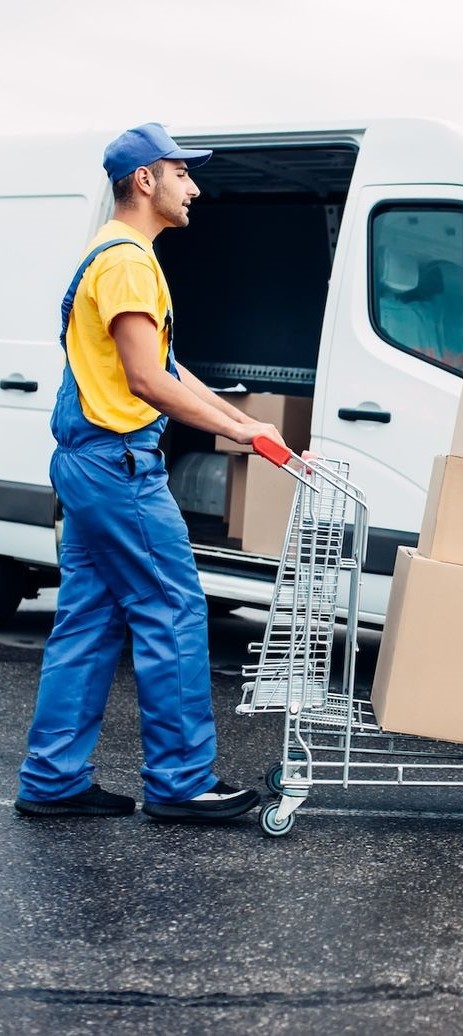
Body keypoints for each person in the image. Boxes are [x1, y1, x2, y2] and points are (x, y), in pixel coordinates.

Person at [15, 122, 287, 823]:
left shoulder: (109, 254)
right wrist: (237, 429)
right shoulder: (129, 261)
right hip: (120, 468)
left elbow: (163, 367)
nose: (193, 187)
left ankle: (52, 781)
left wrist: (240, 419)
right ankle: (180, 781)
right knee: (172, 609)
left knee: (87, 622)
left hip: (88, 463)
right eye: (181, 173)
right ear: (146, 180)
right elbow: (144, 379)